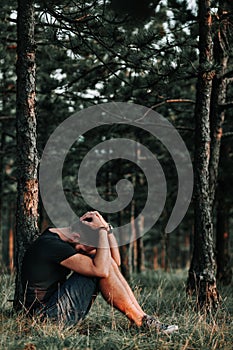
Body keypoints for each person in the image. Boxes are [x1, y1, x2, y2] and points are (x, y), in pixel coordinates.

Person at [21, 211, 178, 334]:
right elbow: (102, 269)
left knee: (104, 263)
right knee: (99, 268)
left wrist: (107, 229)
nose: (91, 251)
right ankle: (141, 322)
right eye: (88, 248)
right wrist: (101, 230)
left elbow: (114, 262)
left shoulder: (62, 237)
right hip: (46, 318)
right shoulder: (52, 245)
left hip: (54, 308)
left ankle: (143, 320)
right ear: (77, 237)